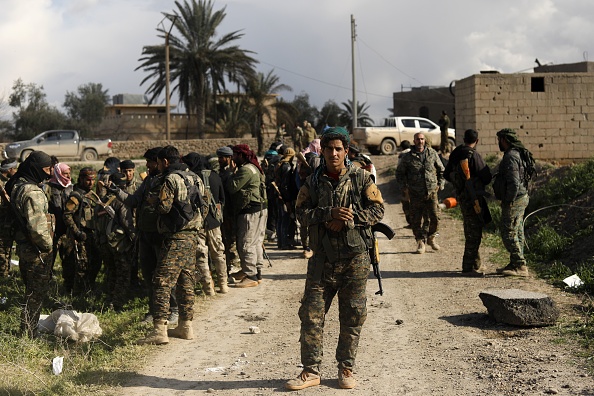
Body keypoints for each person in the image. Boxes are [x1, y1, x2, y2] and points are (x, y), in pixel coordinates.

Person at [286, 127, 385, 391]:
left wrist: (349, 220)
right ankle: (310, 371)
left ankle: (346, 368)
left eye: (339, 149)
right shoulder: (313, 181)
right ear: (323, 150)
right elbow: (300, 212)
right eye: (329, 148)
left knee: (352, 315)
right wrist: (328, 214)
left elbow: (378, 210)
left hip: (355, 260)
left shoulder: (362, 178)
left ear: (347, 151)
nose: (333, 153)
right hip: (322, 261)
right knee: (311, 314)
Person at [137, 145, 203, 344]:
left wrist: (152, 200)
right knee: (186, 281)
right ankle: (185, 327)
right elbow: (205, 205)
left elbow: (164, 207)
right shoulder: (195, 177)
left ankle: (159, 331)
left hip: (175, 237)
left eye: (158, 162)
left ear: (165, 162)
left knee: (161, 281)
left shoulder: (169, 179)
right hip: (192, 236)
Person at [111, 147, 180, 324]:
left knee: (165, 276)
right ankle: (154, 311)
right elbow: (133, 201)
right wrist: (116, 191)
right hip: (146, 235)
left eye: (150, 162)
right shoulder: (149, 180)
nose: (148, 165)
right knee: (149, 275)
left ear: (159, 162)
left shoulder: (169, 180)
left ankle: (174, 309)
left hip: (161, 236)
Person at [5, 151, 53, 337]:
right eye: (46, 169)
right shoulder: (32, 192)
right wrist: (48, 247)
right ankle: (29, 332)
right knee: (35, 293)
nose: (49, 173)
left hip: (25, 247)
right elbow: (38, 228)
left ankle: (27, 327)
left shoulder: (17, 184)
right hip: (36, 250)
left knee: (30, 291)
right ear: (35, 168)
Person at [444, 129, 492, 276]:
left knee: (470, 228)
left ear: (463, 139)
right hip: (473, 198)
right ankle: (467, 267)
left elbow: (446, 174)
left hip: (463, 197)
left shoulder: (456, 153)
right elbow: (487, 177)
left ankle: (475, 263)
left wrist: (460, 184)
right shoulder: (473, 155)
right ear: (476, 141)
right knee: (474, 233)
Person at [182, 152, 228, 295]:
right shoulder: (215, 176)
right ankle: (223, 284)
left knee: (201, 254)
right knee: (218, 252)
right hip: (214, 222)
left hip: (198, 222)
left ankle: (208, 288)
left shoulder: (191, 178)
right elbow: (222, 199)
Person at [493, 128, 533, 277]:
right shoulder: (519, 153)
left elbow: (514, 183)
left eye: (499, 140)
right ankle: (514, 263)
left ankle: (521, 265)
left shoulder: (511, 156)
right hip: (521, 197)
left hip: (515, 199)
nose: (498, 143)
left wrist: (509, 200)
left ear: (504, 140)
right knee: (518, 231)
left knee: (508, 231)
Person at [396, 132, 445, 254]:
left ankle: (431, 237)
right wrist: (404, 188)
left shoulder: (432, 153)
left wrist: (440, 184)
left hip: (432, 192)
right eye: (418, 139)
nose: (420, 141)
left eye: (422, 139)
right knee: (416, 219)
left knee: (435, 217)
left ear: (425, 141)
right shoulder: (407, 157)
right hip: (415, 193)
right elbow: (399, 174)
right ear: (414, 141)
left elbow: (441, 170)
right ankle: (420, 241)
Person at [226, 144, 267, 288]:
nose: (233, 158)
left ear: (241, 156)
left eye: (235, 155)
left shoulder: (245, 170)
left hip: (250, 211)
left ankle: (251, 275)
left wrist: (231, 172)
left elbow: (232, 187)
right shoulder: (253, 167)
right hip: (259, 209)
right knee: (256, 242)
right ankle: (255, 271)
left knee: (246, 243)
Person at [96, 172, 136, 311]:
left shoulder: (102, 200)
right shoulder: (120, 201)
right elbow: (127, 223)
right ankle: (117, 305)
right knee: (123, 274)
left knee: (111, 272)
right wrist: (134, 238)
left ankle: (109, 300)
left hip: (104, 243)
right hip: (119, 244)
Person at [63, 167, 103, 295]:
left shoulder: (92, 195)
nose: (91, 183)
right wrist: (76, 232)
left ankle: (89, 288)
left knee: (95, 263)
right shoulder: (76, 196)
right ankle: (78, 292)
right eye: (88, 180)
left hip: (92, 235)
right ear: (81, 180)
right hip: (79, 237)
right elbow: (67, 215)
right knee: (81, 266)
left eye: (93, 180)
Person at [217, 146, 241, 279]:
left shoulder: (233, 173)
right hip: (224, 213)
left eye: (222, 157)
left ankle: (234, 266)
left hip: (231, 212)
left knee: (232, 241)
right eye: (219, 157)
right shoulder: (221, 173)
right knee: (225, 241)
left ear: (229, 158)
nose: (220, 160)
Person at [45, 162, 74, 272]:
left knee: (68, 259)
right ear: (58, 173)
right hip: (53, 231)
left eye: (69, 173)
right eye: (65, 173)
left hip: (67, 230)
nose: (68, 176)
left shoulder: (71, 187)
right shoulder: (49, 188)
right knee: (49, 258)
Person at [0, 159, 18, 277]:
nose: (16, 171)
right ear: (9, 170)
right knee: (2, 248)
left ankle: (5, 272)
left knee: (6, 247)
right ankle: (3, 273)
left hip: (6, 221)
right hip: (1, 221)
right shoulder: (1, 184)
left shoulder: (7, 182)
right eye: (15, 168)